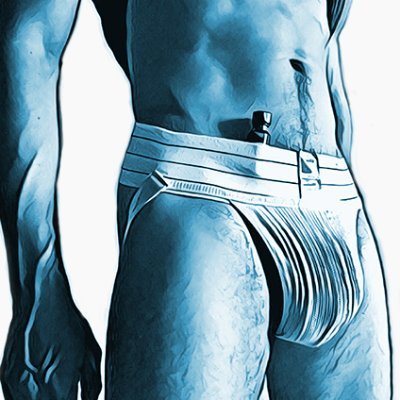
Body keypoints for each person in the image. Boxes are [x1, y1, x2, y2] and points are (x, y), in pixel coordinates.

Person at [0, 0, 392, 399]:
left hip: (336, 207)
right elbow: (30, 37)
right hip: (202, 188)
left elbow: (321, 45)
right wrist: (37, 294)